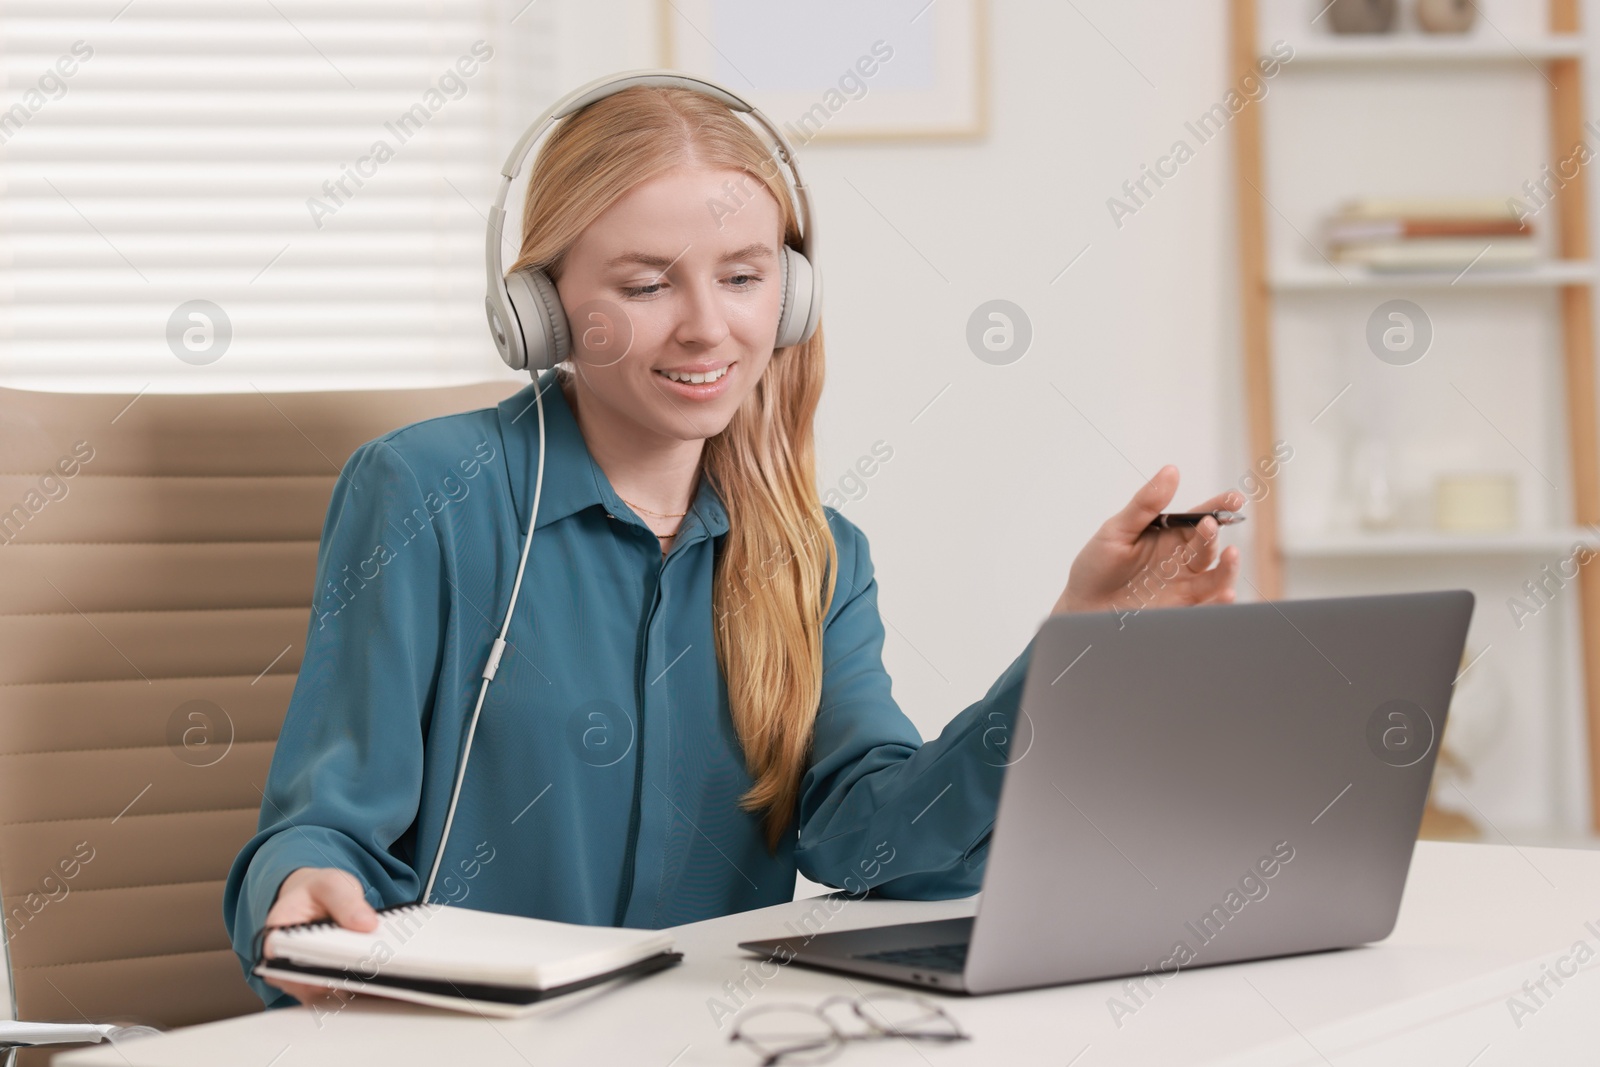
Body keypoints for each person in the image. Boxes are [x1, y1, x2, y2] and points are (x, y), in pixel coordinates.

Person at [223, 80, 1242, 1009]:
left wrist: (1075, 647)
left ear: (789, 295)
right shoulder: (428, 494)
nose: (709, 328)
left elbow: (879, 846)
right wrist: (306, 882)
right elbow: (329, 824)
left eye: (744, 276)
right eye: (647, 283)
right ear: (539, 311)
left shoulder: (818, 555)